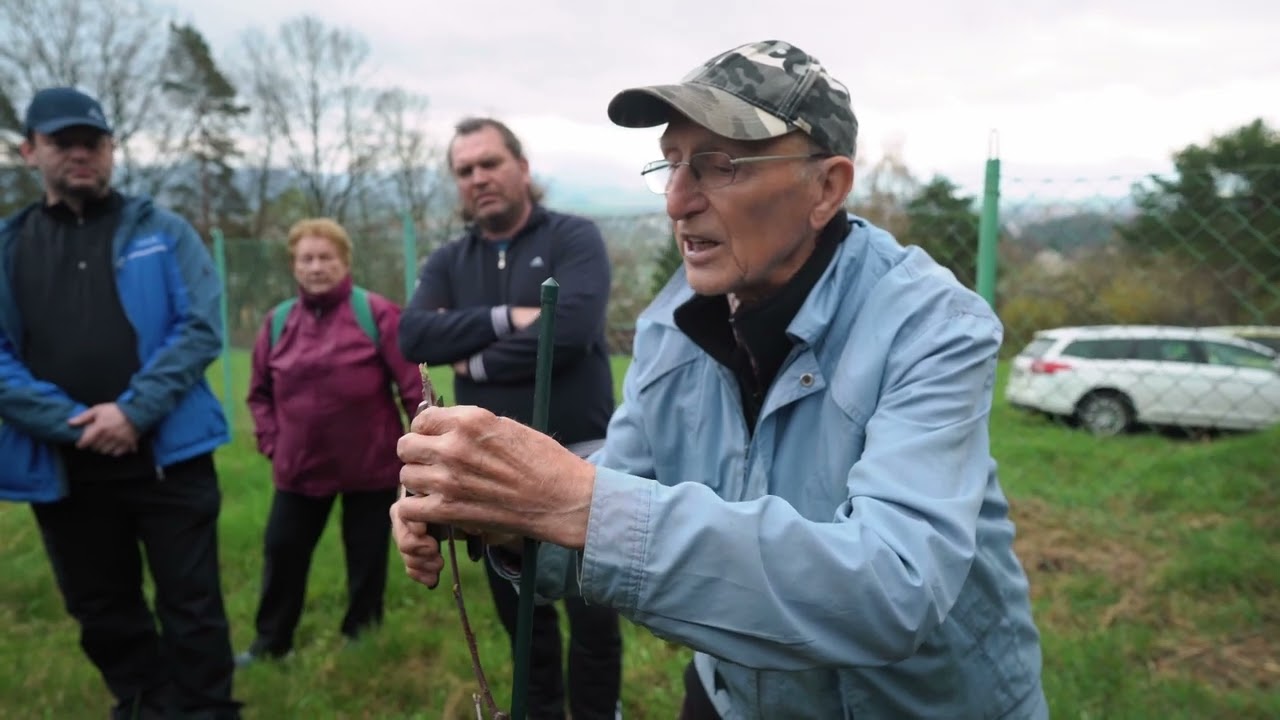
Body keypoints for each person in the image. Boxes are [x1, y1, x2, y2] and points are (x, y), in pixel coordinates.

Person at [391, 40, 1048, 719]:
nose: (677, 202)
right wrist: (500, 510)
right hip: (736, 695)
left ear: (826, 187)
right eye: (671, 163)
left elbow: (894, 589)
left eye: (717, 165)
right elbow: (615, 504)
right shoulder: (671, 326)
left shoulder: (932, 326)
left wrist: (577, 502)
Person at [0, 87, 241, 719]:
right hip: (66, 467)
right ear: (29, 151)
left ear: (111, 149)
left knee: (193, 605)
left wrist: (134, 411)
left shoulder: (163, 231)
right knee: (102, 609)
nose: (80, 153)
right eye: (63, 142)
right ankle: (144, 704)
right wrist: (72, 423)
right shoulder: (8, 247)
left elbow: (200, 327)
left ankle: (207, 710)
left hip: (169, 462)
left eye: (93, 142)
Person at [397, 117, 623, 720]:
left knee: (594, 619)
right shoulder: (450, 260)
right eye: (465, 170)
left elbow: (570, 329)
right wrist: (506, 318)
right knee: (522, 620)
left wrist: (474, 358)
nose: (478, 178)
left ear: (522, 168)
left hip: (584, 455)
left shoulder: (574, 237)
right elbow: (414, 334)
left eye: (490, 163)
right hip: (489, 468)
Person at [237, 218, 424, 665]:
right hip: (299, 469)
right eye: (307, 258)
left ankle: (362, 637)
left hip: (369, 466)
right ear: (294, 265)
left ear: (345, 262)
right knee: (282, 551)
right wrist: (273, 443)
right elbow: (259, 394)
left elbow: (413, 389)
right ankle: (271, 644)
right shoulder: (278, 322)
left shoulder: (376, 314)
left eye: (326, 257)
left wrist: (419, 452)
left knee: (367, 557)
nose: (316, 267)